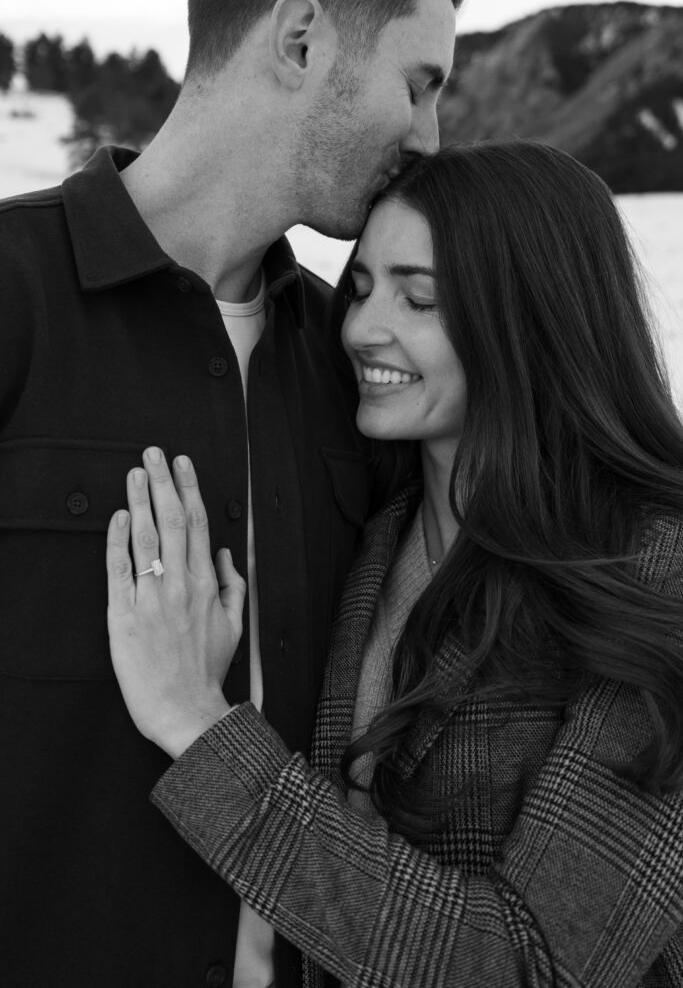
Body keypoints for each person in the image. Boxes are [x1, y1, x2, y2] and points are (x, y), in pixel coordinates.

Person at [107, 142, 683, 987]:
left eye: (418, 299)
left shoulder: (651, 569)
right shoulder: (374, 535)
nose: (360, 328)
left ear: (534, 319)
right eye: (363, 287)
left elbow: (537, 970)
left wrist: (198, 727)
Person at [0, 0, 464, 983]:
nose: (428, 135)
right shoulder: (14, 291)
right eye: (418, 82)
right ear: (299, 41)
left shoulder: (359, 368)